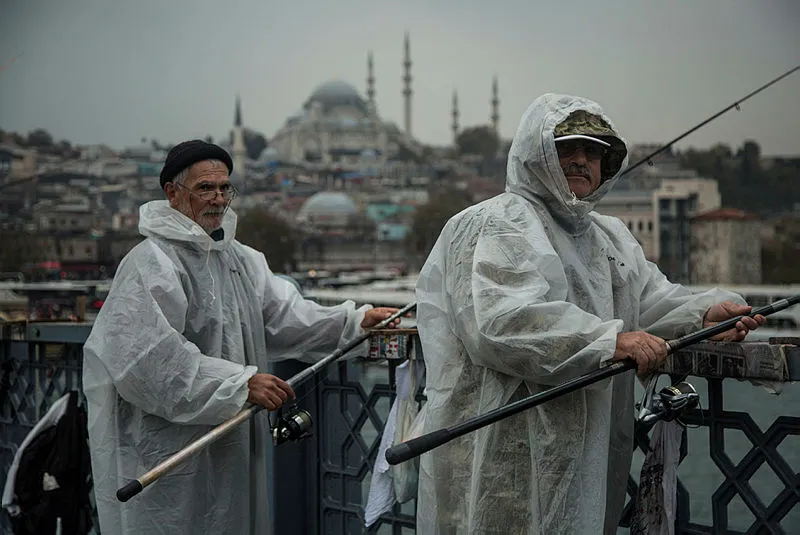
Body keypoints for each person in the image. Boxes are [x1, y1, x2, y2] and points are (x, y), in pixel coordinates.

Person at [413, 94, 765, 534]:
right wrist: (611, 342)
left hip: (585, 452)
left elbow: (650, 302)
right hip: (502, 450)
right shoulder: (494, 223)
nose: (582, 160)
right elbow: (501, 324)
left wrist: (704, 315)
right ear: (535, 154)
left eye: (594, 152)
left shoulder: (610, 237)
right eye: (567, 148)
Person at [81, 139, 401, 535]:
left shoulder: (239, 260)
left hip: (226, 440)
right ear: (172, 193)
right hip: (167, 448)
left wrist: (353, 322)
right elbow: (146, 361)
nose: (217, 198)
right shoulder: (152, 262)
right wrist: (238, 383)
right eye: (205, 188)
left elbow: (285, 316)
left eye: (224, 188)